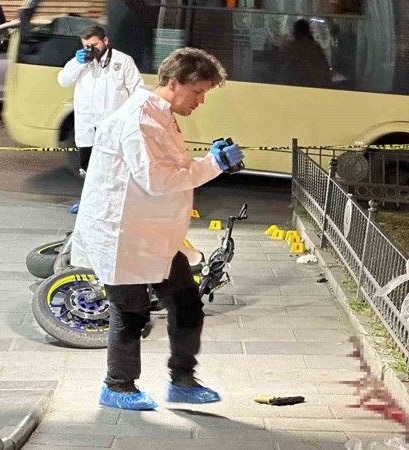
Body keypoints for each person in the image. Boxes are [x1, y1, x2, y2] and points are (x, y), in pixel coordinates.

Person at [70, 47, 244, 410]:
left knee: (187, 303)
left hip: (153, 233)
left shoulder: (159, 114)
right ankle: (117, 387)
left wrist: (208, 161)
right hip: (121, 234)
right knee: (131, 311)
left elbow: (169, 167)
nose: (201, 100)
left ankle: (182, 380)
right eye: (198, 91)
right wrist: (212, 165)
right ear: (174, 82)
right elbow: (158, 179)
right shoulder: (139, 119)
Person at [57, 25, 143, 213]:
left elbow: (138, 91)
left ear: (105, 41)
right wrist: (77, 62)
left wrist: (133, 119)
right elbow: (63, 80)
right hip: (87, 125)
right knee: (88, 168)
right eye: (86, 46)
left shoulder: (123, 61)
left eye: (94, 45)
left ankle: (115, 205)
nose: (90, 49)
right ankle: (88, 202)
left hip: (113, 127)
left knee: (113, 169)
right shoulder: (81, 62)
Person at [278, 19, 331, 88]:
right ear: (308, 32)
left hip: (290, 86)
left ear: (294, 32)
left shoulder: (288, 47)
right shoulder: (314, 48)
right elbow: (325, 71)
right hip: (315, 86)